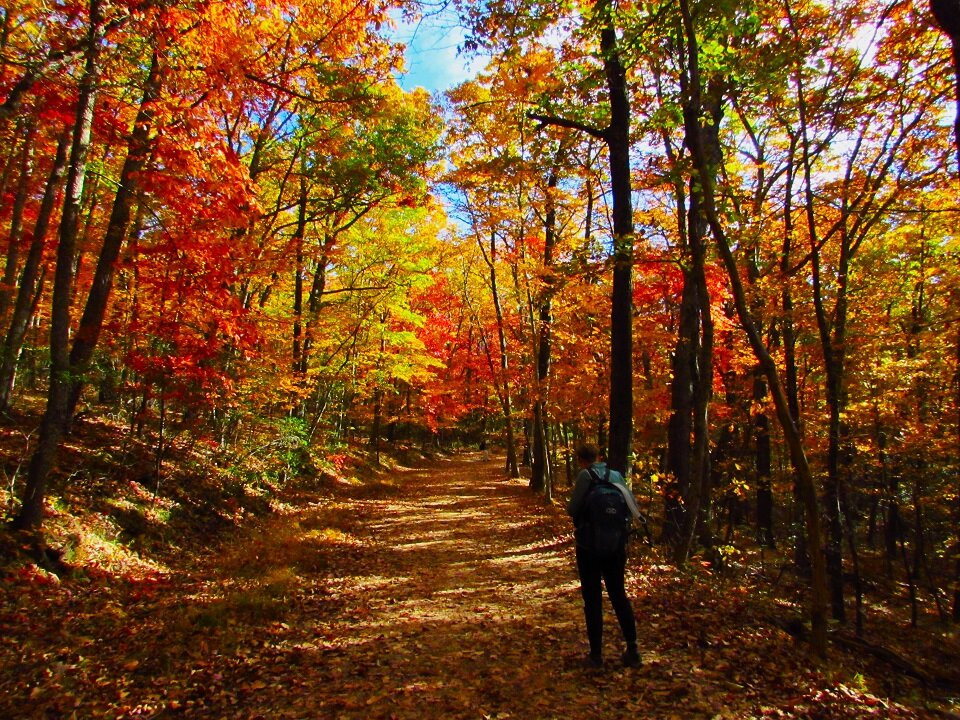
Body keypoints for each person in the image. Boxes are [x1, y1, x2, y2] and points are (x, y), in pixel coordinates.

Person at [567, 443, 641, 668]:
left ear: (580, 459)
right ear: (599, 456)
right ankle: (633, 649)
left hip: (589, 546)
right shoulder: (616, 475)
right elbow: (632, 508)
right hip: (616, 546)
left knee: (592, 598)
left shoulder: (584, 476)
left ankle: (596, 655)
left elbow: (572, 509)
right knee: (618, 594)